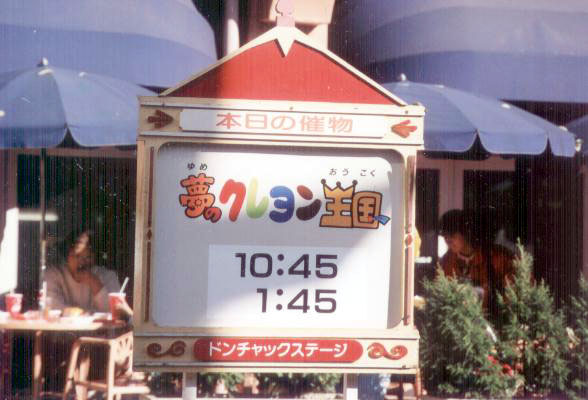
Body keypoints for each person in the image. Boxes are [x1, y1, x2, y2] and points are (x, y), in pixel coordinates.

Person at [437, 209, 514, 311]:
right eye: (445, 235)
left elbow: (513, 295)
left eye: (452, 235)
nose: (448, 240)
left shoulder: (496, 257)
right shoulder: (446, 261)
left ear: (465, 232)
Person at [46, 230, 121, 313]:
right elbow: (52, 306)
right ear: (67, 256)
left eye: (88, 257)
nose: (82, 262)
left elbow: (115, 310)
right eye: (77, 256)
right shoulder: (54, 274)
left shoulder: (108, 276)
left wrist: (94, 282)